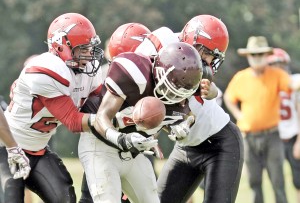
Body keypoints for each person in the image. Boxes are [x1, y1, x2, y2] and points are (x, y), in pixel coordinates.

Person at [78, 41, 203, 203]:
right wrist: (122, 139)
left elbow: (189, 115)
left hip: (133, 155)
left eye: (179, 94)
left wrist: (184, 126)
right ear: (159, 72)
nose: (173, 99)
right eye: (170, 89)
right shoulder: (134, 73)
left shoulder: (180, 89)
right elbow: (102, 117)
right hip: (100, 147)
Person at [0, 12, 104, 203]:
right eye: (83, 48)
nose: (89, 54)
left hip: (38, 150)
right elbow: (73, 121)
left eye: (90, 47)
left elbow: (100, 105)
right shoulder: (47, 71)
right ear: (61, 46)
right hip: (7, 148)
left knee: (64, 198)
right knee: (11, 196)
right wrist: (110, 121)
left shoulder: (85, 73)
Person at [157, 14, 244, 203]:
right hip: (186, 147)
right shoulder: (163, 43)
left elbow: (210, 91)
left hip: (221, 144)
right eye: (209, 53)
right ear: (195, 41)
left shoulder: (198, 69)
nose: (210, 60)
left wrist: (211, 91)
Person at [78, 22, 151, 203]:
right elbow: (93, 115)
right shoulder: (105, 75)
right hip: (103, 144)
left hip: (132, 147)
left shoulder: (150, 75)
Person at [224, 36, 290, 203]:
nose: (257, 58)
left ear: (267, 56)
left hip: (272, 135)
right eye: (253, 54)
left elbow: (291, 85)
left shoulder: (277, 75)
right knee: (254, 181)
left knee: (277, 180)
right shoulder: (241, 77)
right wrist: (238, 115)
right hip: (249, 137)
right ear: (248, 57)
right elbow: (228, 97)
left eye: (260, 54)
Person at [267, 48, 300, 203]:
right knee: (276, 180)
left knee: (298, 180)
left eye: (280, 64)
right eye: (273, 65)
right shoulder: (265, 84)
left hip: (293, 134)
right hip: (274, 136)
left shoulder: (293, 81)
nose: (277, 68)